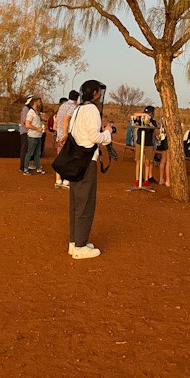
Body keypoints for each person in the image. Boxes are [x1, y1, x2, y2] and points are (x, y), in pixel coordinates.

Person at [67, 79, 113, 259]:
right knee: (86, 203)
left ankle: (75, 241)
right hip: (87, 160)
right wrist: (108, 133)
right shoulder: (92, 110)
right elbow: (95, 137)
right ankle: (80, 246)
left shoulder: (77, 109)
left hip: (75, 159)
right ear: (94, 93)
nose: (100, 94)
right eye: (98, 91)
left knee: (76, 202)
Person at [55, 91, 79, 190]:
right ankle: (66, 180)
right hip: (66, 135)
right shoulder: (73, 107)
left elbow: (57, 120)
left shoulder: (62, 106)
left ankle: (58, 180)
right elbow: (66, 119)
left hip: (59, 135)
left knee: (60, 157)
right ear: (77, 98)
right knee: (69, 158)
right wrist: (65, 134)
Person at [132, 106, 158, 186]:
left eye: (149, 113)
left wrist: (152, 127)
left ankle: (146, 180)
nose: (148, 114)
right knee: (139, 161)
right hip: (140, 142)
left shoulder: (153, 121)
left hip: (149, 143)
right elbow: (135, 115)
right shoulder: (141, 119)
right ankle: (137, 179)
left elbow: (157, 133)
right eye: (147, 113)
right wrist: (144, 115)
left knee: (147, 161)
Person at [22, 97, 47, 175]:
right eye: (39, 102)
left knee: (37, 153)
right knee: (30, 152)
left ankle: (38, 168)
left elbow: (45, 118)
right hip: (32, 136)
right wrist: (37, 129)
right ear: (34, 102)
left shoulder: (37, 113)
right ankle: (25, 168)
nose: (40, 103)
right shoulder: (30, 113)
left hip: (38, 136)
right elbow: (27, 124)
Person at [19, 96, 33, 172]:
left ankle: (26, 165)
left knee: (28, 149)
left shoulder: (29, 109)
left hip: (29, 131)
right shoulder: (26, 109)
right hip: (25, 131)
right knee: (25, 149)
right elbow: (25, 120)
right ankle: (23, 166)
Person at [155, 120, 170, 186]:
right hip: (167, 140)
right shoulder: (169, 120)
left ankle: (161, 179)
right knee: (168, 161)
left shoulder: (162, 120)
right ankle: (168, 180)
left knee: (163, 160)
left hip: (163, 139)